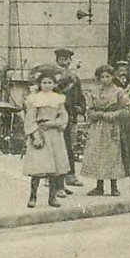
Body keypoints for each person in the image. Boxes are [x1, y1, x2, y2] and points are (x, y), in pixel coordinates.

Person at [22, 68, 70, 209]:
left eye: (50, 82)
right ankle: (33, 197)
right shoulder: (34, 99)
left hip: (54, 134)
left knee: (54, 169)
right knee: (38, 168)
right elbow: (30, 119)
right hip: (40, 133)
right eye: (44, 82)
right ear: (39, 84)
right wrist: (35, 134)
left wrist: (54, 123)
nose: (47, 85)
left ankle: (52, 197)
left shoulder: (58, 99)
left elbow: (63, 116)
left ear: (54, 84)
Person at [81, 65, 130, 197]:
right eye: (102, 77)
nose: (105, 79)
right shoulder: (95, 92)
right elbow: (89, 109)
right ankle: (99, 186)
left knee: (112, 154)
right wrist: (97, 114)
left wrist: (114, 115)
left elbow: (128, 110)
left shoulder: (119, 92)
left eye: (107, 76)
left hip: (113, 127)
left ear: (113, 77)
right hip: (98, 127)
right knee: (99, 155)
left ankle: (114, 186)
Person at [53, 47, 85, 187]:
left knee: (69, 146)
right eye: (61, 59)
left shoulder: (74, 78)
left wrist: (81, 108)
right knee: (55, 145)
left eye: (66, 59)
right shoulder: (52, 77)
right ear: (57, 61)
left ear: (70, 61)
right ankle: (53, 177)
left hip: (70, 114)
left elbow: (80, 95)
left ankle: (70, 175)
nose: (64, 62)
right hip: (55, 115)